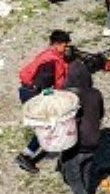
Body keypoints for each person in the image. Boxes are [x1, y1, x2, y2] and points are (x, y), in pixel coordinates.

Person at [56, 62, 107, 194]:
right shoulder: (96, 93)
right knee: (86, 169)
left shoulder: (66, 96)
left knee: (73, 178)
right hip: (93, 141)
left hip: (74, 143)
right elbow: (100, 114)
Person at [15, 30, 73, 173]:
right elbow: (45, 86)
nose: (66, 49)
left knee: (44, 126)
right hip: (33, 94)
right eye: (65, 46)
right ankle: (26, 155)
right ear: (57, 44)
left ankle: (39, 150)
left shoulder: (49, 55)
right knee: (46, 126)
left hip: (29, 90)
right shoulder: (50, 63)